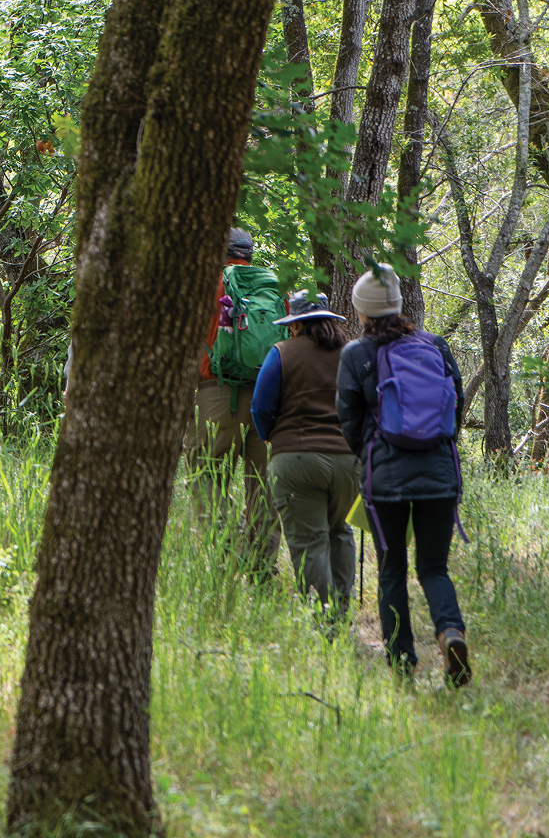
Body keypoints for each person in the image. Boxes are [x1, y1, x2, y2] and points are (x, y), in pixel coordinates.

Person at [338, 264, 470, 685]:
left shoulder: (356, 355)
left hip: (386, 481)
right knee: (434, 568)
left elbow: (348, 420)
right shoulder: (435, 345)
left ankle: (401, 662)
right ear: (398, 305)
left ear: (362, 311)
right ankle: (450, 631)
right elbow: (457, 403)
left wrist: (371, 456)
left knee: (392, 570)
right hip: (439, 473)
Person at [250, 291, 356, 620]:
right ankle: (340, 614)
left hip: (295, 458)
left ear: (294, 324)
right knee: (340, 532)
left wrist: (274, 437)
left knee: (309, 541)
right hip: (347, 461)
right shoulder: (350, 353)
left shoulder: (282, 353)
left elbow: (261, 407)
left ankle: (324, 621)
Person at [188, 227, 285, 577]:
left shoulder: (207, 288)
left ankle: (231, 554)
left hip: (215, 393)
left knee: (206, 474)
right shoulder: (273, 287)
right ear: (249, 255)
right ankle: (262, 568)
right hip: (267, 398)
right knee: (263, 482)